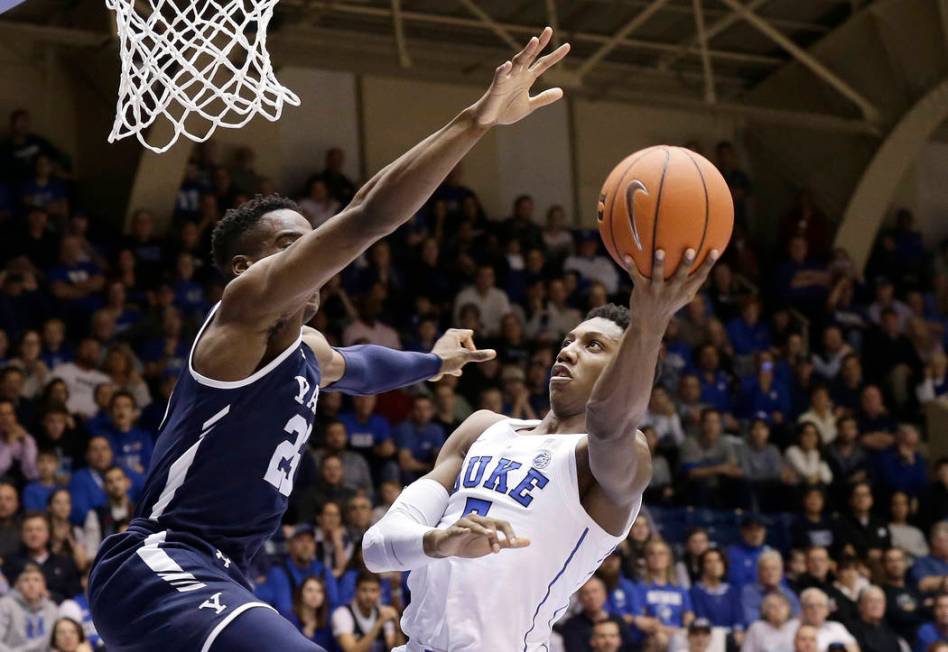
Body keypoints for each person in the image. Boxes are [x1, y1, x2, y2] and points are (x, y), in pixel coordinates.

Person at [89, 27, 570, 652]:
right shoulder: (241, 313)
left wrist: (433, 360)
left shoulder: (304, 349)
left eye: (310, 240)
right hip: (158, 565)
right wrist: (476, 120)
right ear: (246, 269)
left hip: (222, 576)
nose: (313, 254)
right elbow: (369, 214)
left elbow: (358, 366)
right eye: (293, 247)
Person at [365, 222, 719, 650]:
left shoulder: (610, 457)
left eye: (593, 346)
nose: (567, 350)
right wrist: (440, 541)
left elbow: (611, 423)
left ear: (625, 371)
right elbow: (377, 548)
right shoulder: (483, 428)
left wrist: (649, 323)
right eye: (570, 339)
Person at [559, 577, 635, 652]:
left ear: (605, 594)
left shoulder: (619, 621)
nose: (591, 597)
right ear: (579, 598)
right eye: (586, 593)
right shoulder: (572, 626)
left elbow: (630, 647)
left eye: (595, 591)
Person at [330, 572, 401, 652]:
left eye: (373, 590)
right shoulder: (342, 613)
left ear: (380, 592)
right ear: (356, 590)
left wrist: (397, 625)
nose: (369, 596)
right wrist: (379, 623)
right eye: (364, 590)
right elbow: (352, 651)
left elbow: (395, 649)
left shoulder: (384, 612)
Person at [0, 564, 59, 651]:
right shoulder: (6, 605)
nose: (31, 585)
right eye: (26, 580)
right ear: (18, 585)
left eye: (36, 580)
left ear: (43, 586)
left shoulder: (51, 608)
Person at [879, 547, 927, 644]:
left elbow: (927, 613)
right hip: (899, 643)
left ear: (905, 564)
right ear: (883, 565)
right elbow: (896, 618)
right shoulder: (881, 593)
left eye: (899, 560)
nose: (896, 565)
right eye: (890, 561)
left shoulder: (914, 589)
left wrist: (915, 609)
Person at [741, 550, 801, 625]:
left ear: (781, 572)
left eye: (774, 569)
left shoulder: (788, 594)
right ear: (758, 572)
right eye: (766, 569)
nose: (770, 573)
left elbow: (798, 619)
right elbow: (751, 621)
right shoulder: (748, 593)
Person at [790, 588, 858, 652]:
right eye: (810, 606)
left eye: (820, 605)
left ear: (827, 610)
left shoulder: (836, 627)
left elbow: (854, 649)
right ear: (803, 609)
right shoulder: (793, 628)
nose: (815, 610)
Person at [848, 585, 902, 652]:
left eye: (880, 601)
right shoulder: (851, 630)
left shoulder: (889, 628)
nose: (876, 605)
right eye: (871, 601)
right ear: (860, 605)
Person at [288, 576, 333, 650]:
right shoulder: (289, 620)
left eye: (319, 591)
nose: (315, 595)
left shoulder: (327, 627)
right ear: (301, 594)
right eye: (309, 590)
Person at [910, 522, 948, 597]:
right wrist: (943, 581)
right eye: (946, 540)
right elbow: (922, 584)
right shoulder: (923, 562)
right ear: (935, 542)